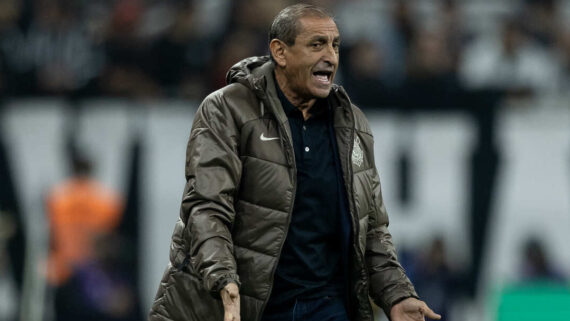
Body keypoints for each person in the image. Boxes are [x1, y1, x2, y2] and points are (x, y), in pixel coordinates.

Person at [149, 4, 440, 321]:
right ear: (280, 52)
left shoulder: (352, 123)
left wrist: (396, 294)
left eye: (335, 45)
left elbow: (371, 230)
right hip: (247, 304)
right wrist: (223, 278)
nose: (330, 56)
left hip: (326, 305)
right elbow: (207, 207)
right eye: (317, 44)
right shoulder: (227, 109)